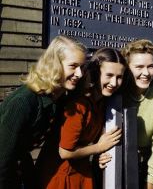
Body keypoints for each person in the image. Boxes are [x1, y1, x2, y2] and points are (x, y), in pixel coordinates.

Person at [0, 35, 87, 189]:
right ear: (54, 65)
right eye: (73, 66)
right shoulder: (23, 102)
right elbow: (3, 157)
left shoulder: (59, 97)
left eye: (82, 67)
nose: (79, 73)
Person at [43, 47, 127, 189]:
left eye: (119, 77)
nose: (114, 83)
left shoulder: (102, 103)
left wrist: (100, 156)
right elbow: (65, 151)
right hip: (61, 176)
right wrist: (98, 147)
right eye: (109, 75)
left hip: (82, 173)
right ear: (95, 74)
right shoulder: (78, 105)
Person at [99, 39, 153, 189]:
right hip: (112, 165)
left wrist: (149, 184)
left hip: (143, 169)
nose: (146, 73)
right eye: (139, 67)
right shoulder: (115, 92)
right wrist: (99, 153)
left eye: (150, 67)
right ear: (127, 67)